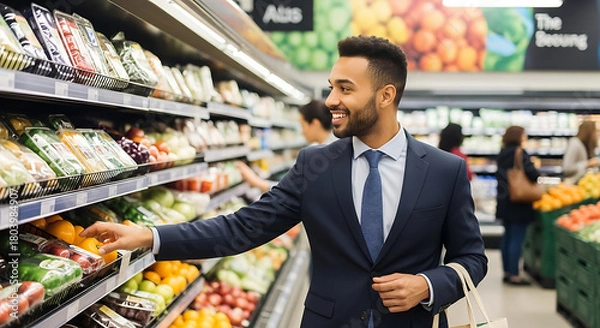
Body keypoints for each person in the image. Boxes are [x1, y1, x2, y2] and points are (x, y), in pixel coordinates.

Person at [81, 36, 487, 328]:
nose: (330, 100)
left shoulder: (442, 170)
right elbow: (243, 228)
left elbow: (473, 258)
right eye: (331, 87)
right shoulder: (316, 164)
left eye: (345, 89)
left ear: (385, 95)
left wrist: (429, 284)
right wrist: (150, 236)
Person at [236, 99, 336, 192]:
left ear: (315, 124)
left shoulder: (323, 156)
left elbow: (295, 191)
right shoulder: (333, 147)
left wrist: (257, 182)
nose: (302, 132)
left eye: (303, 126)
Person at [495, 126, 540, 286]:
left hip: (505, 201)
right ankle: (515, 275)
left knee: (507, 236)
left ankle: (507, 271)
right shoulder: (520, 153)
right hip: (519, 203)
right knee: (517, 238)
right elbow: (533, 175)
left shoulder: (502, 153)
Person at [562, 120, 599, 185]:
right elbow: (567, 168)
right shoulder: (575, 144)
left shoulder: (588, 145)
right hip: (572, 186)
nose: (597, 134)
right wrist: (588, 163)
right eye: (596, 131)